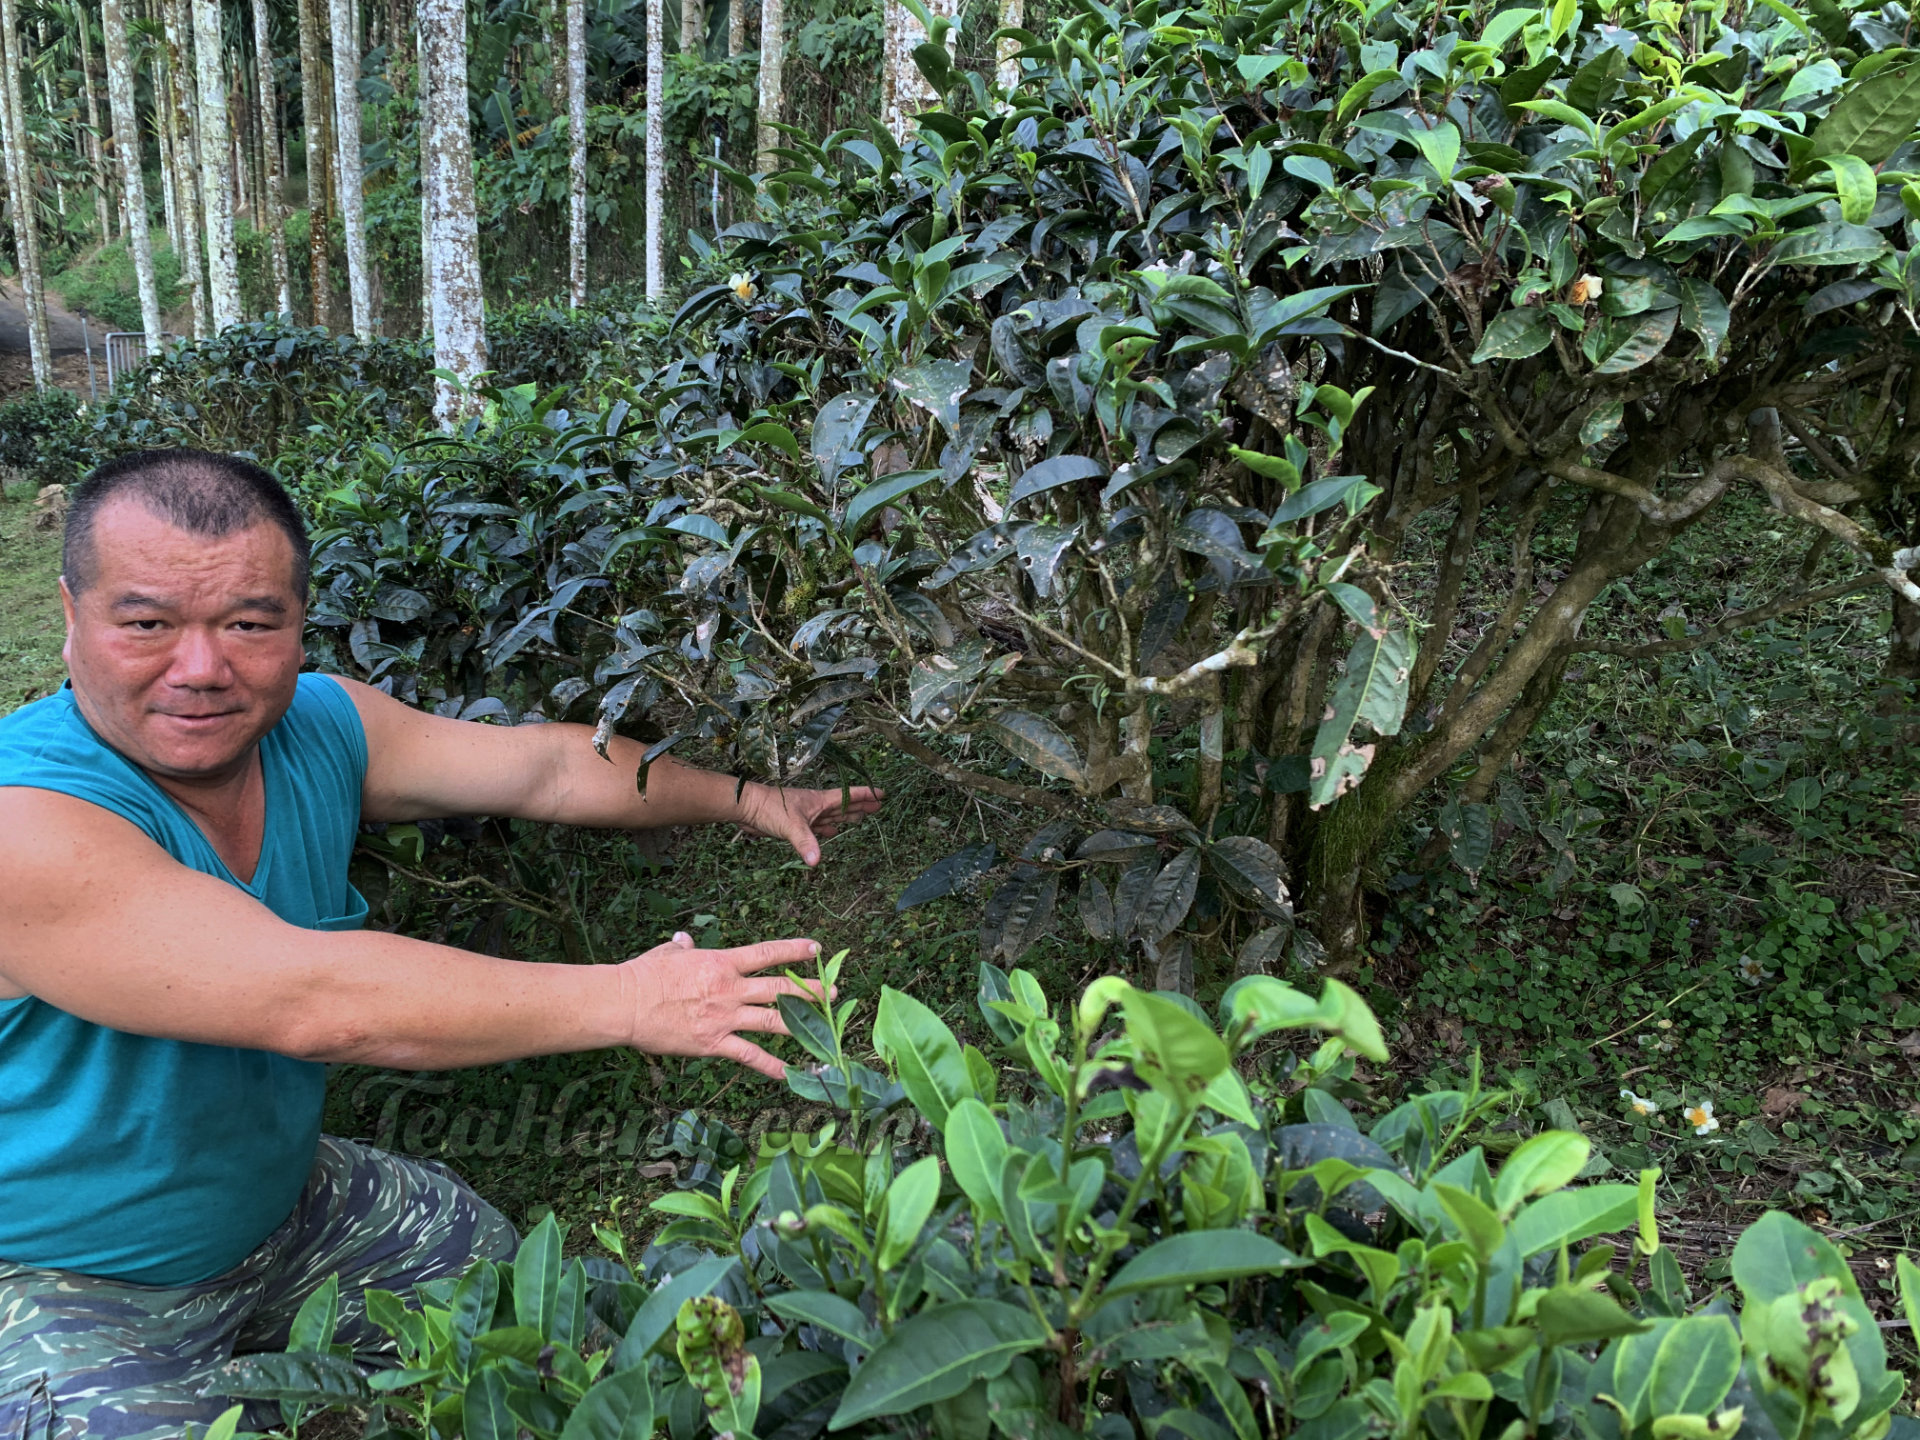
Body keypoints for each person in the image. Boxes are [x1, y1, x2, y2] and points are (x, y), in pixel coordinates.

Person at [0, 448, 882, 1438]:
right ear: (72, 619)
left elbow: (547, 770)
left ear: (298, 626)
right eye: (147, 623)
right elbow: (315, 1002)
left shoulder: (320, 727)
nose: (201, 669)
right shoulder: (26, 824)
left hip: (278, 1208)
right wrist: (632, 1001)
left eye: (249, 623)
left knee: (508, 1295)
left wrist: (753, 800)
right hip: (62, 1270)